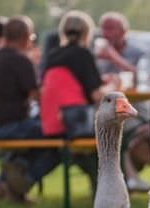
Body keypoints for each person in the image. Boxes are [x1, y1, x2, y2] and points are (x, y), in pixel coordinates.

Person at [40, 10, 112, 194]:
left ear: (63, 32)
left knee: (79, 149)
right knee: (116, 135)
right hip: (74, 123)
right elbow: (97, 96)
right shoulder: (83, 54)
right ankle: (109, 188)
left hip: (50, 120)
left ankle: (101, 187)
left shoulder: (52, 55)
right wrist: (113, 86)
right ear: (88, 32)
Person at [0, 16, 59, 203]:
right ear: (25, 37)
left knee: (31, 143)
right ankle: (24, 179)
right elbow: (37, 96)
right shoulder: (21, 61)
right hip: (12, 126)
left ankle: (7, 182)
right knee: (60, 138)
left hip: (1, 126)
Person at [96, 11, 150, 192]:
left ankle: (130, 178)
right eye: (103, 28)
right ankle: (129, 178)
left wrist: (114, 58)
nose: (106, 33)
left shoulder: (139, 51)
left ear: (124, 31)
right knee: (110, 125)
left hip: (136, 109)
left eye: (111, 28)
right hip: (107, 110)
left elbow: (145, 79)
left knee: (123, 126)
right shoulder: (95, 54)